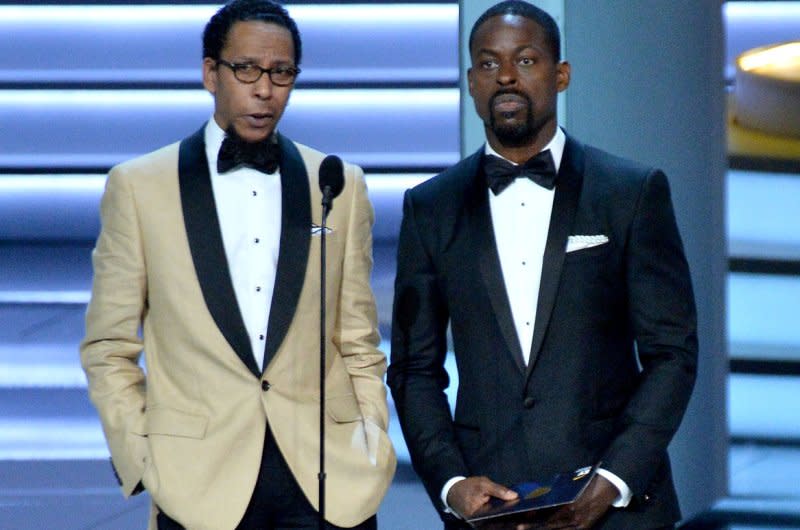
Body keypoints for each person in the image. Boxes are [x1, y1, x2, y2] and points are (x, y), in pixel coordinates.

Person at [80, 1, 395, 528]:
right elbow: (109, 346)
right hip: (198, 481)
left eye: (282, 73)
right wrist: (145, 459)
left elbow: (358, 338)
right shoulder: (139, 187)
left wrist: (371, 441)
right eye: (247, 69)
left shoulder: (339, 183)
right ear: (210, 73)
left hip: (328, 478)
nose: (265, 89)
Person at [387, 1, 698, 529]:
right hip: (493, 510)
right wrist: (452, 483)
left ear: (561, 76)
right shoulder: (430, 207)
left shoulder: (631, 192)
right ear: (470, 82)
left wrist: (615, 479)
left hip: (617, 511)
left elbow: (672, 353)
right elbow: (415, 369)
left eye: (525, 61)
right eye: (489, 64)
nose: (506, 76)